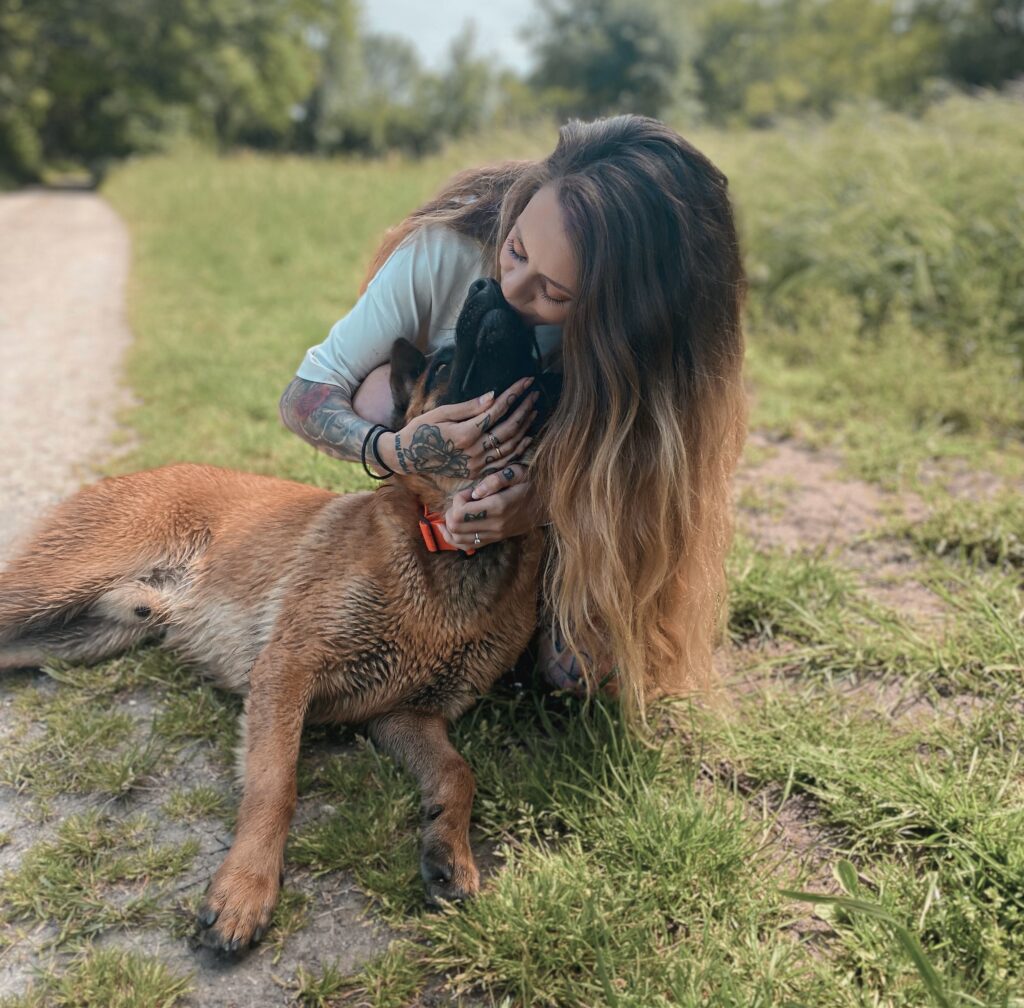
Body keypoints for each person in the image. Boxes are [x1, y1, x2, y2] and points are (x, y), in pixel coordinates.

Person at [279, 115, 747, 717]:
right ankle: (431, 569)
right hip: (438, 476)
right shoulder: (443, 254)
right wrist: (396, 450)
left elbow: (649, 479)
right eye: (516, 251)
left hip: (570, 492)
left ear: (626, 312)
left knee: (583, 673)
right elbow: (303, 396)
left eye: (554, 293)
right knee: (373, 396)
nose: (513, 287)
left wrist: (539, 505)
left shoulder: (657, 353)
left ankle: (540, 600)